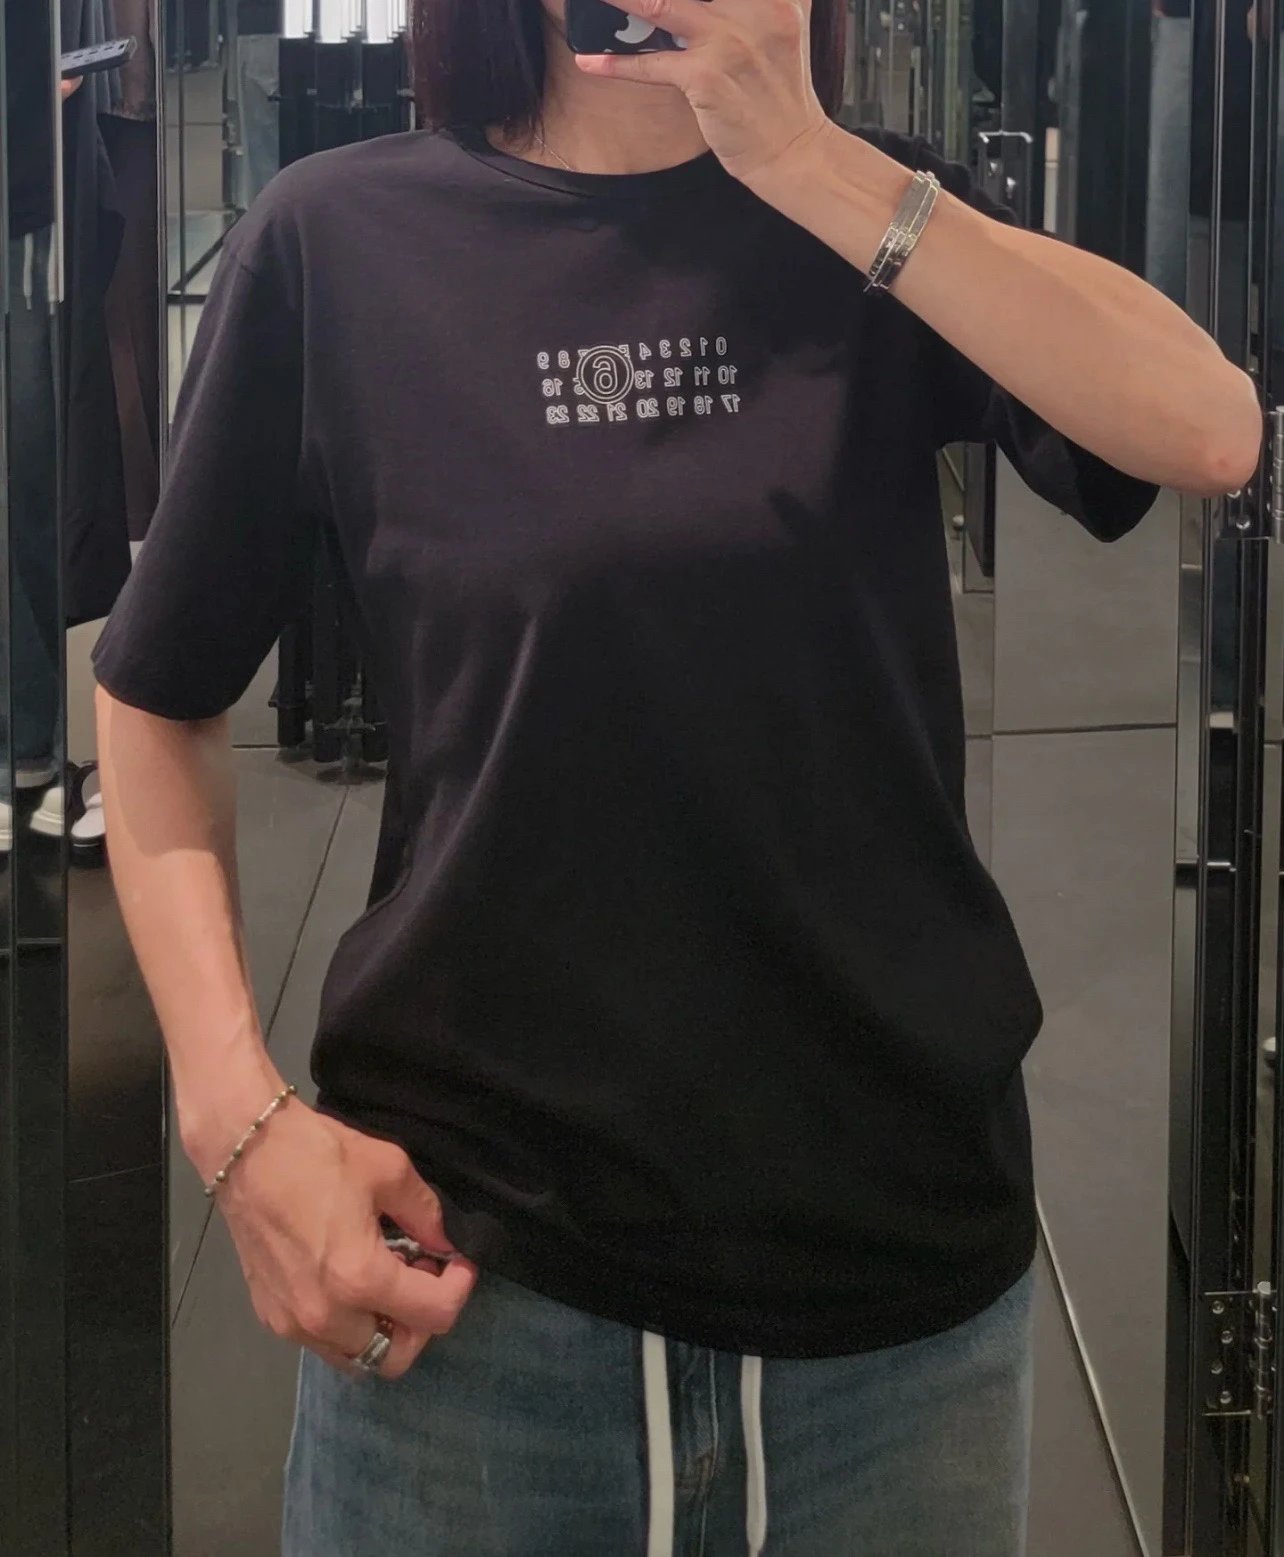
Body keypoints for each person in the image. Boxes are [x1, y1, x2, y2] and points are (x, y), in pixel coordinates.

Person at [91, 1, 1261, 1552]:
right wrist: (234, 1118)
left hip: (892, 1291)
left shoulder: (879, 213)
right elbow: (154, 696)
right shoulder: (339, 243)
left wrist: (813, 165)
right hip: (474, 1292)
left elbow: (1209, 429)